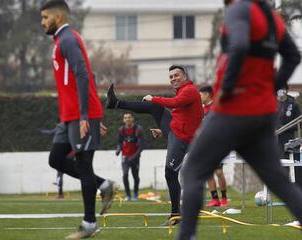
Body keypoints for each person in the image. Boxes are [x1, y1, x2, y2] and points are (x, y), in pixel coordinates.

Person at [177, 0, 302, 240]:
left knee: (192, 171)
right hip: (262, 114)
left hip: (233, 110)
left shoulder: (239, 8)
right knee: (279, 182)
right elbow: (293, 56)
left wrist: (227, 86)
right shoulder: (270, 17)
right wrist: (270, 88)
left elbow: (240, 44)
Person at [40, 1, 117, 238]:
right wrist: (90, 114)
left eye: (45, 17)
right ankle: (104, 185)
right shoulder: (60, 41)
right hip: (70, 117)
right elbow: (85, 75)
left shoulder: (68, 40)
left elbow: (84, 74)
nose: (42, 22)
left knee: (83, 165)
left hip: (80, 116)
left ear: (59, 17)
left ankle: (89, 224)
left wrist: (88, 115)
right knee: (56, 159)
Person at [106, 65, 203, 225]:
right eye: (171, 77)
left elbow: (174, 103)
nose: (173, 79)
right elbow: (181, 116)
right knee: (154, 107)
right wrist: (162, 130)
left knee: (170, 174)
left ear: (185, 76)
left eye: (176, 75)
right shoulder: (183, 91)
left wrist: (154, 98)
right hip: (174, 130)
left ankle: (175, 215)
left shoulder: (190, 90)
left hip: (182, 140)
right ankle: (115, 103)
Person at [199, 86, 228, 207]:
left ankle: (224, 198)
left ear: (207, 95)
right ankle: (215, 199)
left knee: (219, 172)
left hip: (218, 144)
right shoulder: (201, 109)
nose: (198, 97)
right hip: (206, 144)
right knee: (208, 173)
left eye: (200, 94)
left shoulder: (216, 107)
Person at [116, 112, 145, 201]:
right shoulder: (121, 130)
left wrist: (135, 156)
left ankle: (135, 194)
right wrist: (118, 150)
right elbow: (119, 142)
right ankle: (128, 195)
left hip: (135, 157)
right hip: (125, 156)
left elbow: (142, 146)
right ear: (123, 120)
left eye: (129, 117)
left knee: (135, 176)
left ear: (132, 119)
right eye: (125, 118)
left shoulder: (138, 129)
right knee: (125, 175)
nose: (127, 119)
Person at [276, 86, 301, 157]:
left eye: (282, 89)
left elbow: (299, 124)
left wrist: (283, 128)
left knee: (286, 160)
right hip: (274, 140)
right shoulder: (271, 103)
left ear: (286, 90)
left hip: (287, 139)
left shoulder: (293, 105)